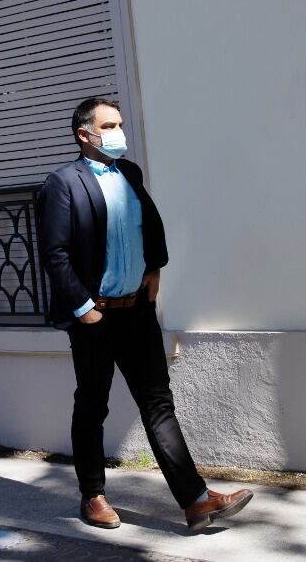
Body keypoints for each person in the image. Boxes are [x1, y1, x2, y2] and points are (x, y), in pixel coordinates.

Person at [37, 97, 252, 532]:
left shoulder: (129, 173)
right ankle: (93, 496)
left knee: (158, 404)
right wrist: (84, 309)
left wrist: (154, 271)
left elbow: (148, 226)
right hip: (95, 316)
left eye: (119, 124)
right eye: (108, 126)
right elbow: (55, 253)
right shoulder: (63, 183)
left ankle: (195, 501)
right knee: (92, 405)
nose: (118, 133)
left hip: (137, 312)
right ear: (84, 135)